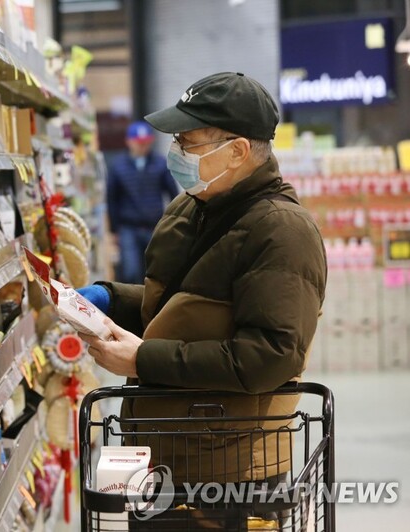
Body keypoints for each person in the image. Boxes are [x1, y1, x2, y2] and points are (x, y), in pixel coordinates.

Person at [78, 73, 327, 494]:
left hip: (231, 467)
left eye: (188, 142)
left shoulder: (282, 231)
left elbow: (271, 355)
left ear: (237, 151)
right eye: (176, 140)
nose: (175, 152)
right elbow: (185, 306)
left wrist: (143, 361)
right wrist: (108, 300)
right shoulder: (191, 208)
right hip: (168, 443)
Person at [106, 121, 179, 284]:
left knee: (155, 269)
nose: (142, 146)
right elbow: (112, 199)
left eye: (146, 142)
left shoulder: (160, 163)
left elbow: (173, 195)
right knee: (130, 271)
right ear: (129, 142)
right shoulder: (118, 166)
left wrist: (173, 223)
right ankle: (133, 303)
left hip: (154, 225)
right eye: (138, 143)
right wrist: (114, 230)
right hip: (128, 228)